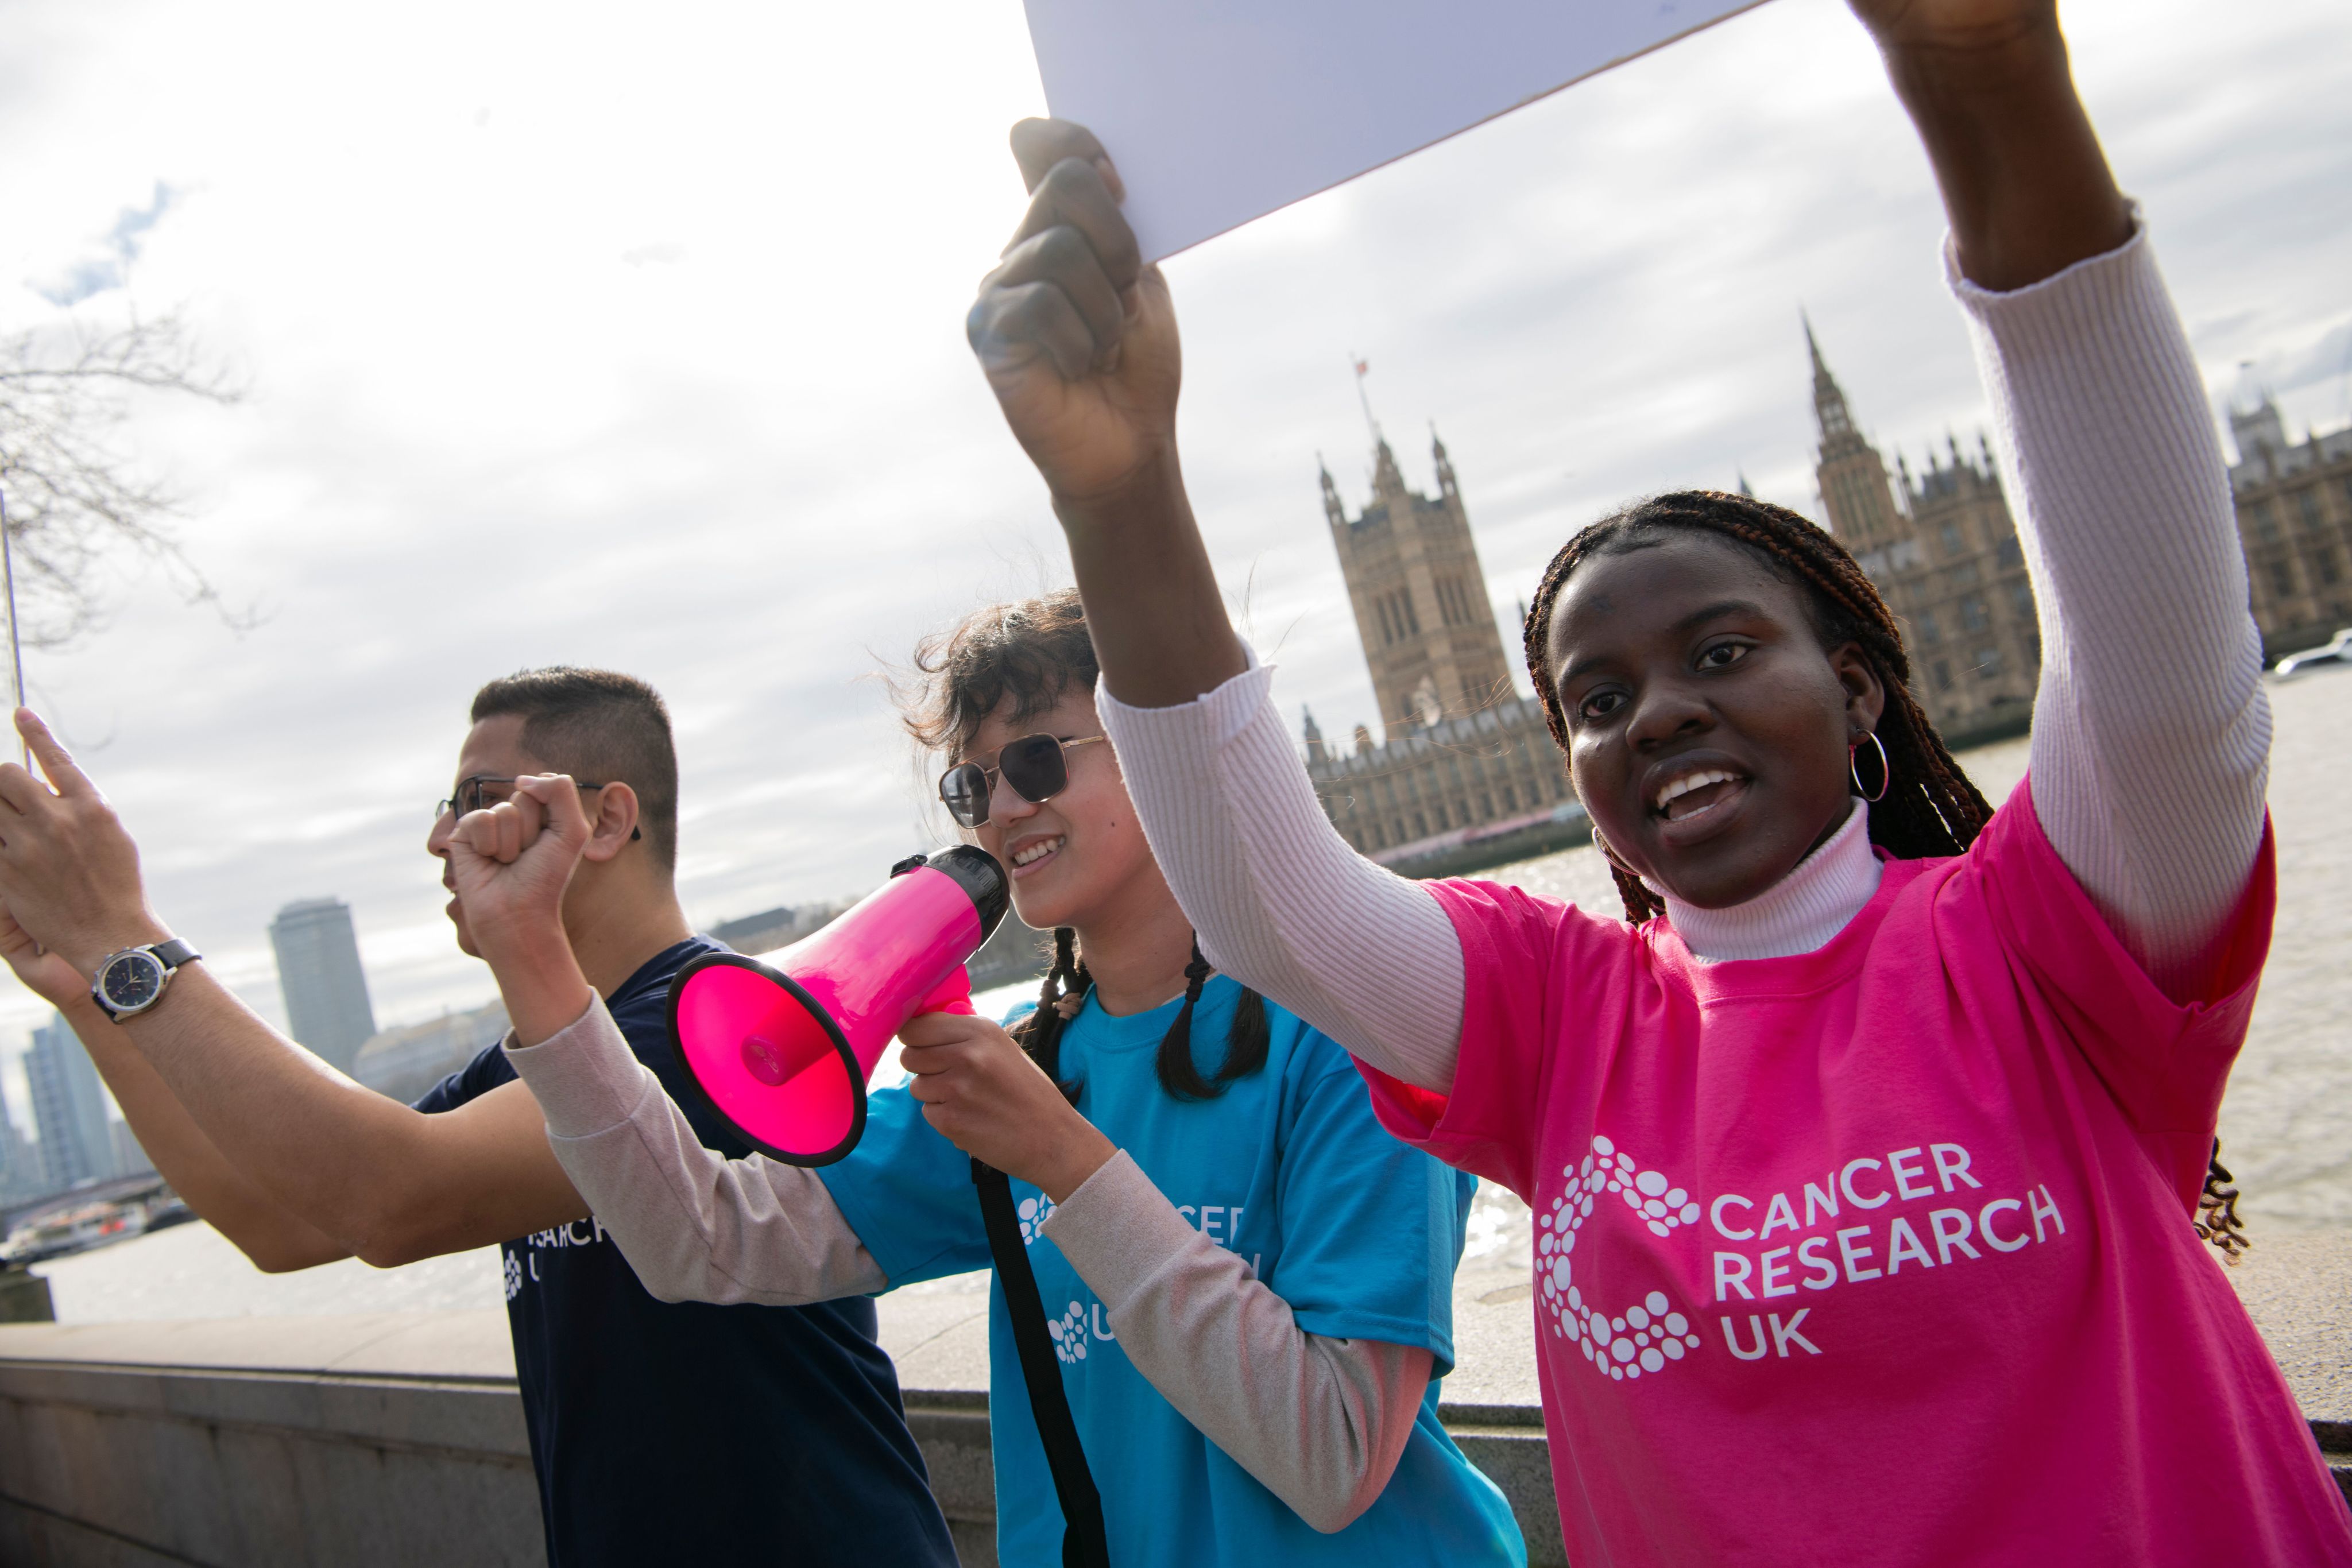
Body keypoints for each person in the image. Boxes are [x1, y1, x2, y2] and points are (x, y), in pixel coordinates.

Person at [959, 1, 2352, 1563]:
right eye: (1600, 695)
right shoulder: (1566, 1020)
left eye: (1722, 650)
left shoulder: (2047, 938)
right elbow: (1270, 903)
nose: (1664, 712)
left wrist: (1987, 82)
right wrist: (1118, 483)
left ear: (1858, 684)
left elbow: (2161, 653)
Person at [456, 595, 1527, 1567]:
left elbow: (1337, 1455)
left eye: (1044, 762)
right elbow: (703, 1242)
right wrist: (536, 963)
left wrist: (1060, 1159)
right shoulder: (1032, 1064)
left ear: (1172, 751)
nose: (1004, 808)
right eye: (974, 783)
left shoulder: (1348, 1029)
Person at [0, 668, 957, 1568]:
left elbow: (390, 1198)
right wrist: (91, 993)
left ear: (606, 818)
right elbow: (286, 1222)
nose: (439, 838)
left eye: (473, 798)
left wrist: (124, 936)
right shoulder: (528, 1063)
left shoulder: (722, 1027)